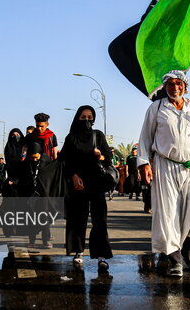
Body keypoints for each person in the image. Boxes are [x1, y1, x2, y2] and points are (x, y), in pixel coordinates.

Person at [137, 70, 190, 277]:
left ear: (185, 86)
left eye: (179, 83)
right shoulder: (156, 108)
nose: (175, 87)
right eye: (171, 84)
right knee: (168, 213)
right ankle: (175, 259)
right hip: (166, 165)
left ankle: (189, 249)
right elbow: (145, 138)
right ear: (165, 87)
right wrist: (144, 163)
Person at [60, 105, 113, 271]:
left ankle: (101, 256)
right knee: (77, 218)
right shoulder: (71, 138)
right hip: (78, 183)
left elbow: (109, 158)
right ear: (77, 118)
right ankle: (78, 252)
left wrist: (100, 155)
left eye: (90, 117)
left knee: (99, 220)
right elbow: (65, 160)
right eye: (83, 117)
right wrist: (74, 177)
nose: (87, 120)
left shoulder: (98, 135)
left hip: (96, 182)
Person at [22, 142, 54, 248]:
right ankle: (32, 241)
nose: (35, 160)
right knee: (31, 217)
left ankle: (46, 240)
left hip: (44, 193)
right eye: (32, 158)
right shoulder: (27, 161)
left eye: (36, 157)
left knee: (44, 217)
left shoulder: (46, 159)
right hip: (31, 193)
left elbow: (51, 174)